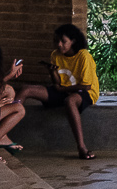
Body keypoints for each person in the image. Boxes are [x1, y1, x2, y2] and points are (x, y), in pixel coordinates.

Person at [18, 24, 99, 159]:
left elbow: (86, 86)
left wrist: (62, 89)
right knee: (26, 89)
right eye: (56, 41)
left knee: (70, 100)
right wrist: (52, 72)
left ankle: (81, 147)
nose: (59, 45)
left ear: (73, 41)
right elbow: (58, 83)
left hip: (84, 92)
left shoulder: (83, 56)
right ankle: (2, 135)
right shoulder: (55, 55)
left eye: (63, 41)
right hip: (63, 89)